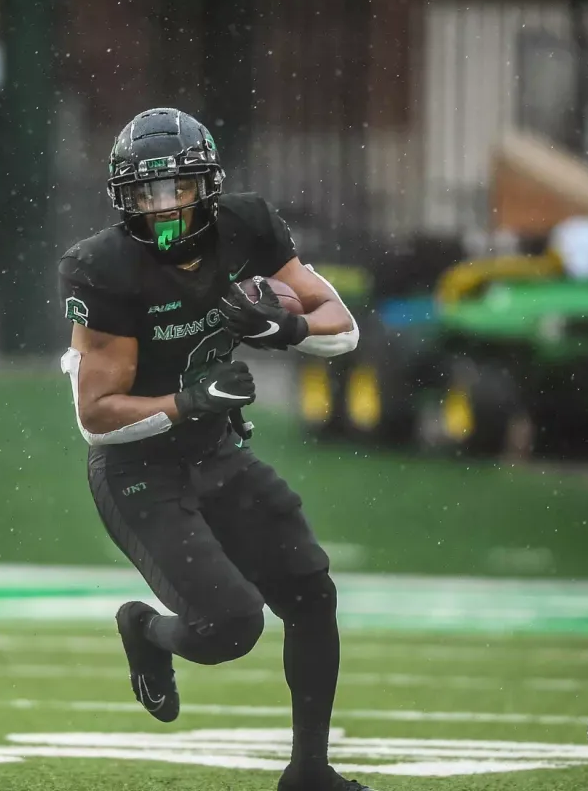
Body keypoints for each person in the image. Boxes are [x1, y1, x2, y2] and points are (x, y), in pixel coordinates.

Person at [57, 108, 367, 791]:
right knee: (230, 627)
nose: (163, 207)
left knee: (311, 593)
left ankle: (309, 773)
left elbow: (339, 327)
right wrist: (187, 401)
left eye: (178, 189)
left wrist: (281, 327)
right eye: (144, 194)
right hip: (139, 468)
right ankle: (145, 631)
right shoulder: (102, 267)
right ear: (121, 199)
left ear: (210, 187)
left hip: (217, 452)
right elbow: (96, 417)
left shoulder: (249, 225)